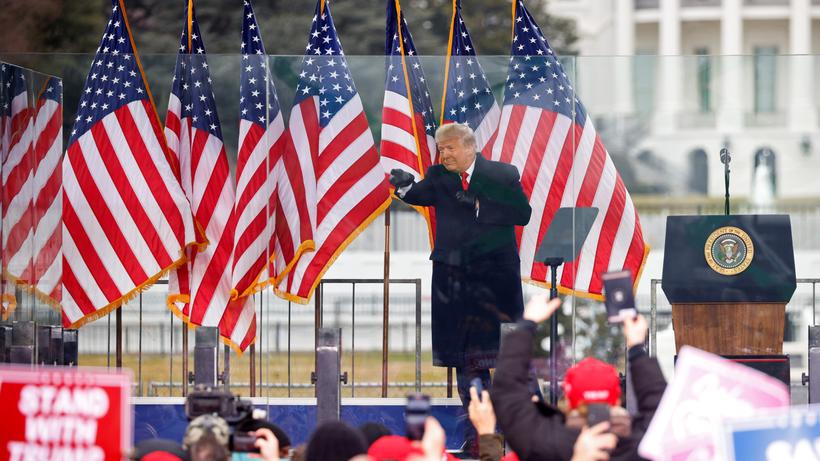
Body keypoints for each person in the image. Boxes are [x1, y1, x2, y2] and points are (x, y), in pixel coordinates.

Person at [389, 123, 532, 448]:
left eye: (450, 148)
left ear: (469, 147)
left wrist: (479, 205)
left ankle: (521, 436)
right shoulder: (440, 175)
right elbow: (419, 194)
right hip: (453, 284)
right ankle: (478, 441)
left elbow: (522, 213)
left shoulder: (501, 175)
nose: (444, 154)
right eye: (441, 149)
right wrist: (403, 187)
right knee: (467, 360)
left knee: (508, 359)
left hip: (495, 285)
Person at [491, 294, 667, 461]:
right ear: (616, 398)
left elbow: (507, 391)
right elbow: (660, 406)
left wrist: (527, 324)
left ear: (568, 397)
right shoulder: (642, 442)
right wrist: (636, 348)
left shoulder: (546, 442)